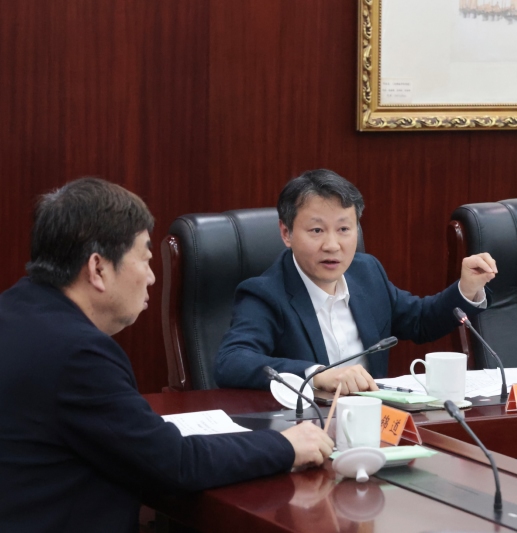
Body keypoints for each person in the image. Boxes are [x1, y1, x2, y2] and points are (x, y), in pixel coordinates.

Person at [0, 178, 333, 533]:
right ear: (98, 268)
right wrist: (285, 445)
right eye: (144, 259)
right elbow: (176, 464)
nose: (151, 278)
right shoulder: (78, 355)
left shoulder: (13, 310)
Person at [215, 169, 497, 393]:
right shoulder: (265, 293)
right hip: (308, 427)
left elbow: (421, 320)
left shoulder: (367, 273)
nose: (332, 245)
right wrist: (315, 375)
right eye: (316, 230)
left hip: (373, 420)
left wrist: (467, 288)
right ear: (286, 233)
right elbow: (231, 361)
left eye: (344, 229)